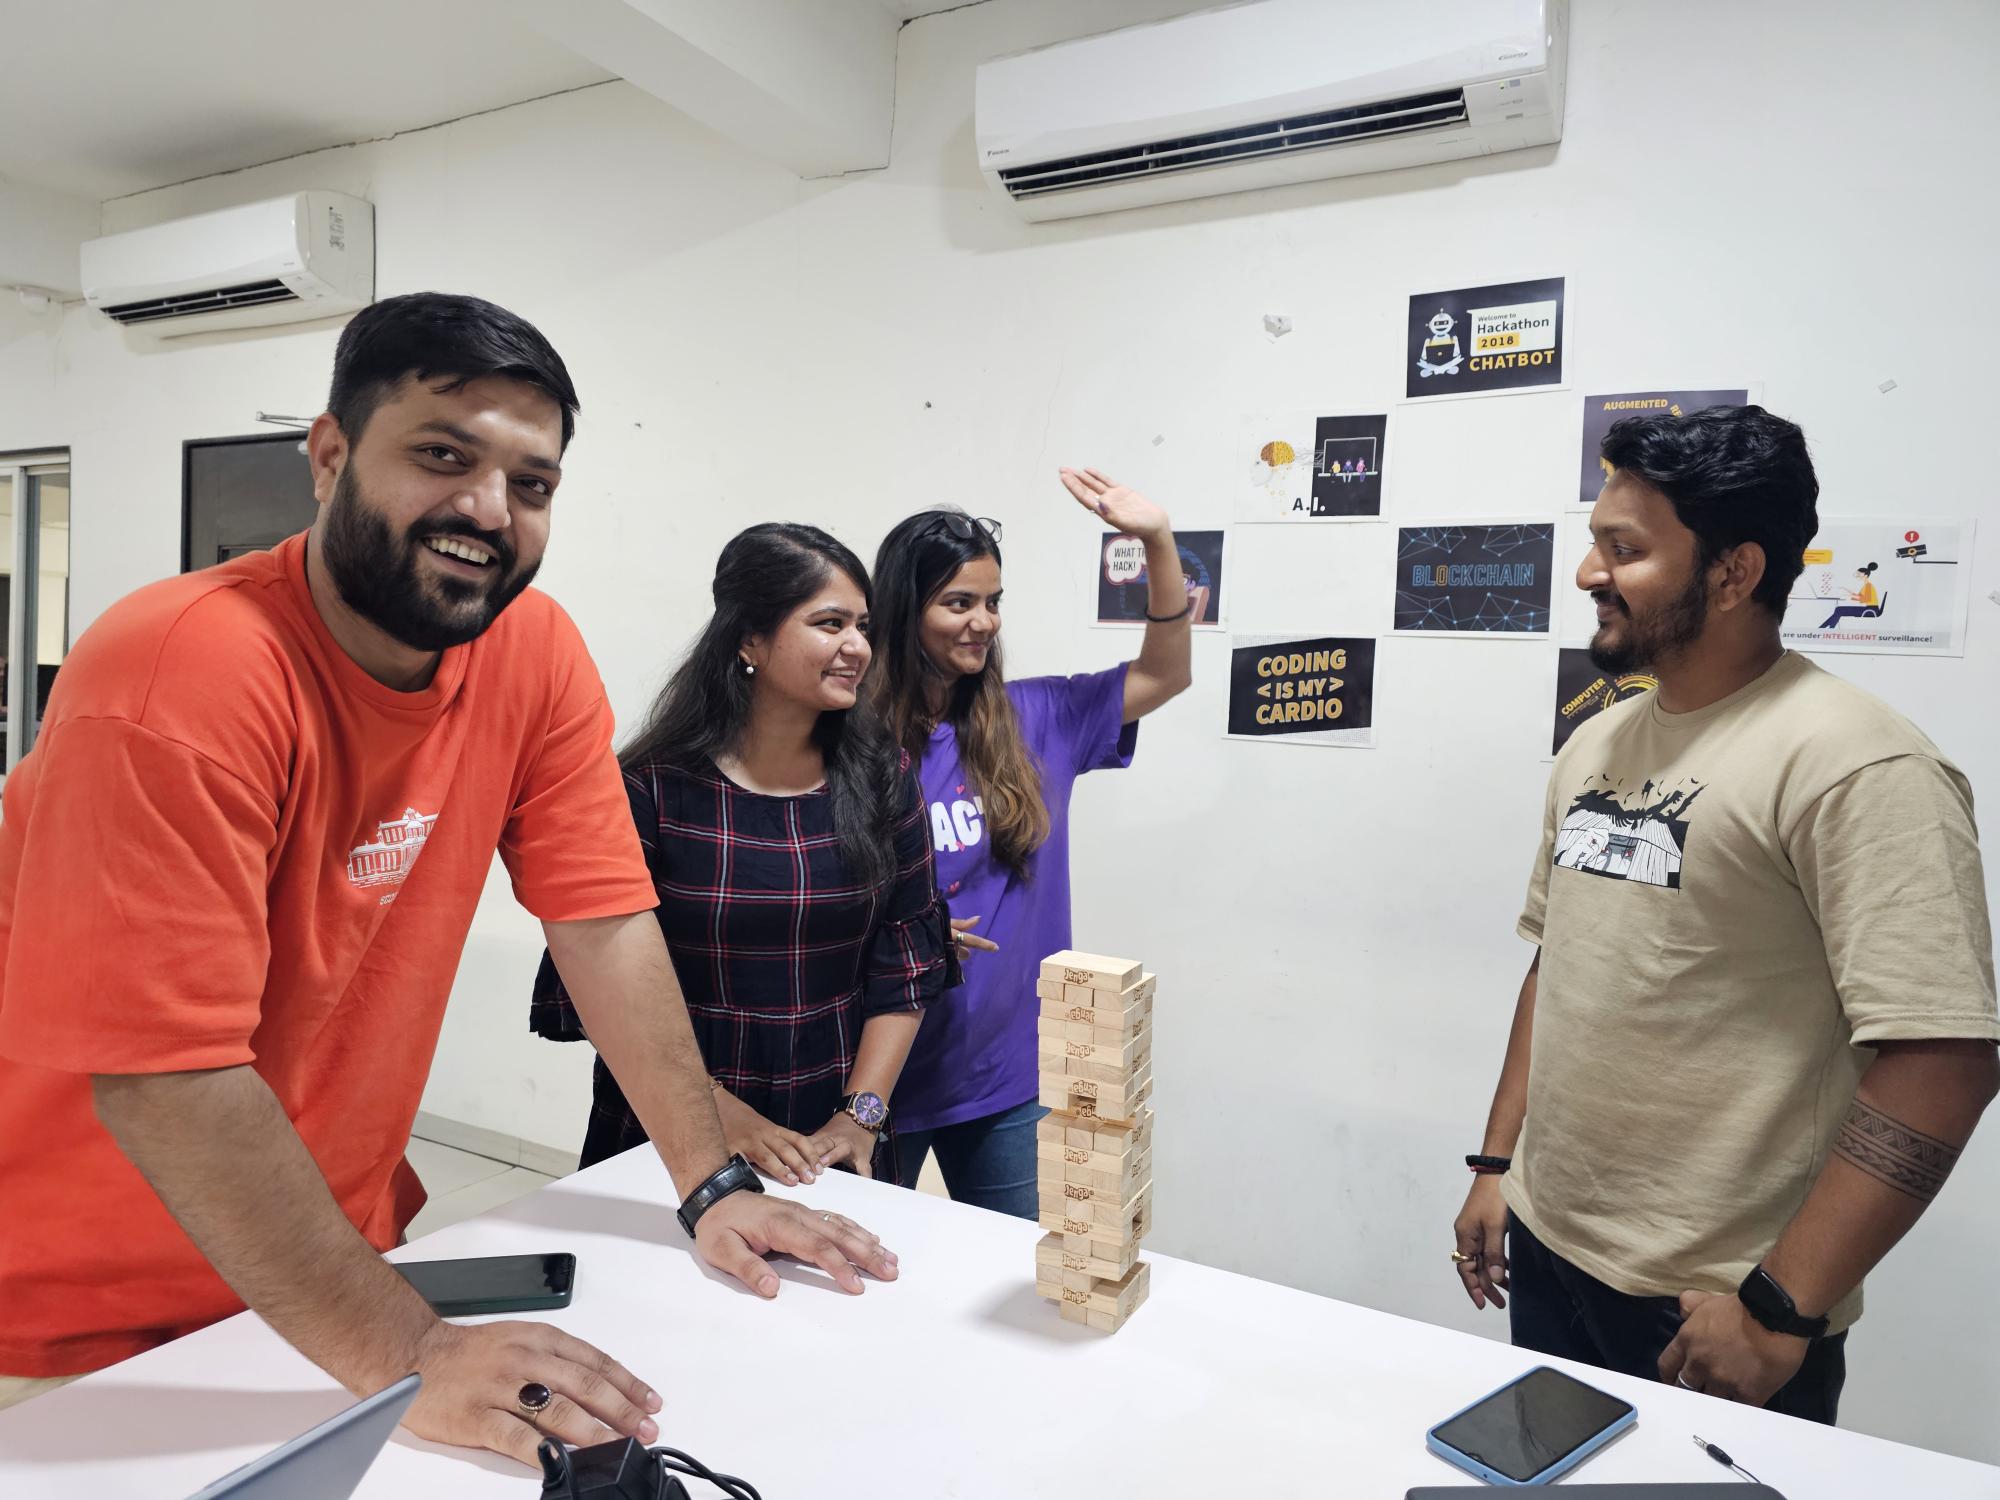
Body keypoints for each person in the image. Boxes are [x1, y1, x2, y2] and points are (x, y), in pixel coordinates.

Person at [0, 293, 894, 1465]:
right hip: (69, 1309)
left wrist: (710, 1183)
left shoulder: (530, 653)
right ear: (328, 457)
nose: (487, 510)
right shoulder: (183, 670)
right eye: (441, 455)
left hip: (327, 1264)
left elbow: (604, 922)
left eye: (531, 483)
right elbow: (165, 1080)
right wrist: (407, 1351)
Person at [1451, 405, 1998, 1423]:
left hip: (1707, 1301)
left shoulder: (1855, 764)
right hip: (1551, 1247)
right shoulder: (1598, 743)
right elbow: (1557, 963)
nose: (1587, 574)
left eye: (1624, 549)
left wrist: (1777, 1310)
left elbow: (1943, 1058)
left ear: (1733, 572)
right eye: (1593, 545)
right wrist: (1496, 1166)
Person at [531, 524, 953, 1186]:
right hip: (666, 1126)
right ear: (750, 638)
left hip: (831, 1128)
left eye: (863, 626)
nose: (857, 647)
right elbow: (599, 977)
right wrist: (717, 1115)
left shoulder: (883, 779)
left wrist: (860, 1117)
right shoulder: (650, 787)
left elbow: (905, 963)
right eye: (830, 623)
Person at [870, 469, 1193, 1216]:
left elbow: (1165, 673)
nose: (983, 622)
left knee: (1020, 1283)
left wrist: (1158, 542)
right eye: (958, 603)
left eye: (992, 603)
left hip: (1006, 1079)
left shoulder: (1037, 717)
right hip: (875, 1078)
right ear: (902, 612)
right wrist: (899, 932)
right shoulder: (849, 742)